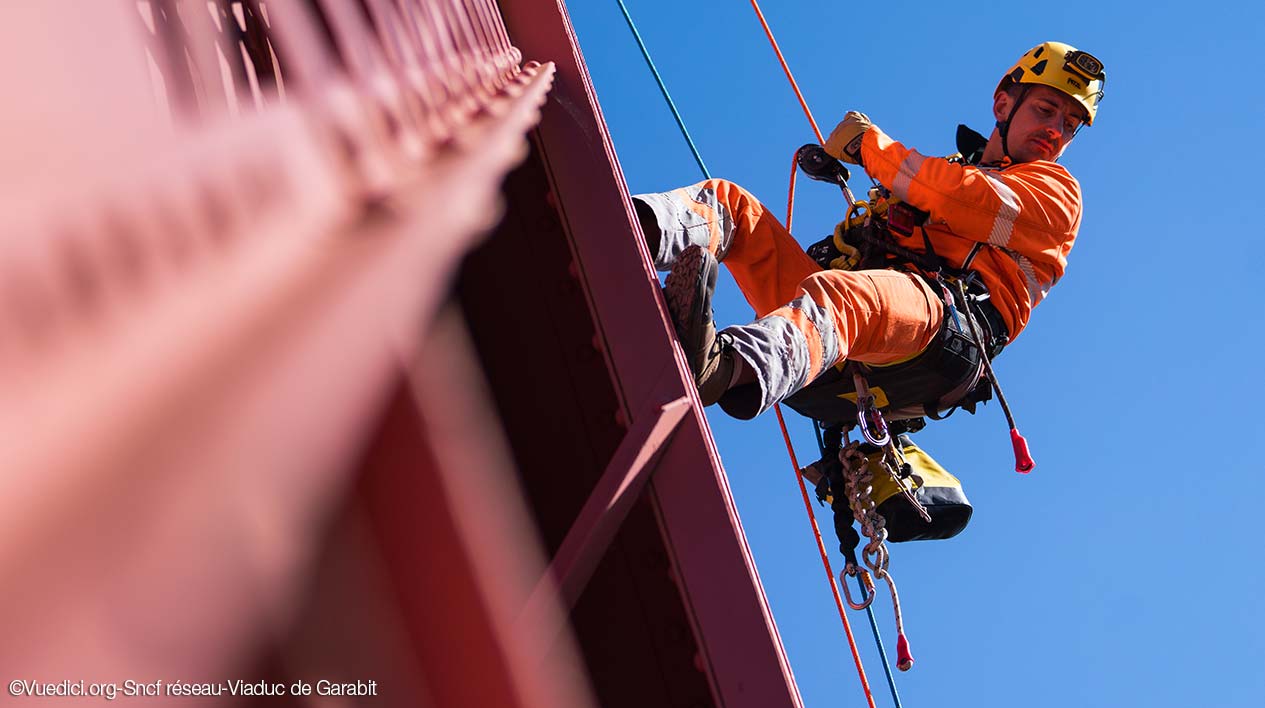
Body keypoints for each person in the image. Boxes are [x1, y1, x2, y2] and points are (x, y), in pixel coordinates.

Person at [633, 41, 1105, 420]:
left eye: (1069, 124)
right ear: (1004, 102)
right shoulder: (949, 172)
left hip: (942, 330)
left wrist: (867, 147)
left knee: (845, 297)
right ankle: (634, 234)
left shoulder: (1056, 192)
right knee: (729, 204)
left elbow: (957, 197)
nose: (1056, 130)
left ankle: (726, 368)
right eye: (1046, 110)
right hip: (835, 334)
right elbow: (939, 189)